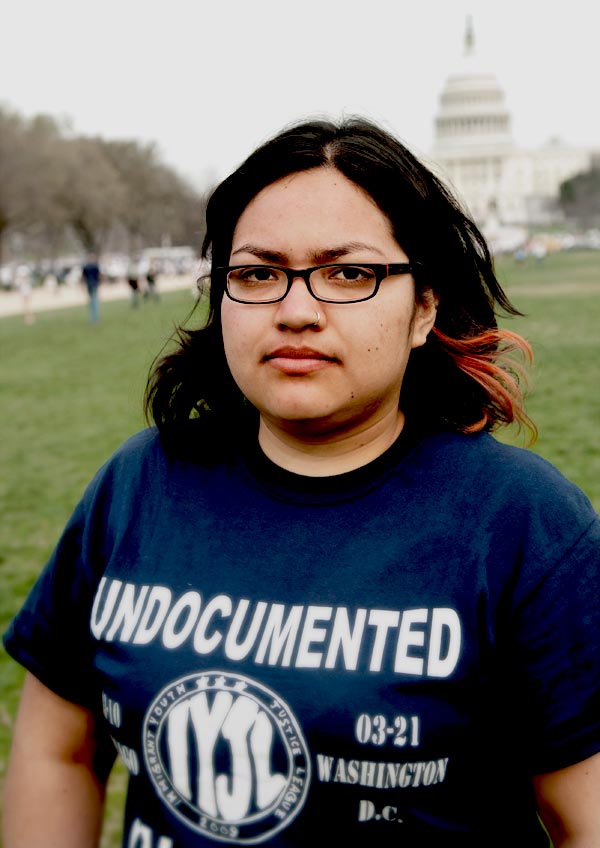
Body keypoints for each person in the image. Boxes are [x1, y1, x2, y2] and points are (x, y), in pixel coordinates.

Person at [3, 117, 600, 848]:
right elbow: (54, 750)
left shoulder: (525, 526)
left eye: (349, 273)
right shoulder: (137, 485)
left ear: (425, 307)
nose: (295, 311)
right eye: (257, 273)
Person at [81, 253, 102, 323]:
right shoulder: (95, 266)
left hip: (89, 285)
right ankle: (94, 318)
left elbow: (83, 278)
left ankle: (93, 318)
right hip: (93, 285)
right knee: (94, 301)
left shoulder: (86, 267)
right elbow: (99, 276)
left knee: (92, 301)